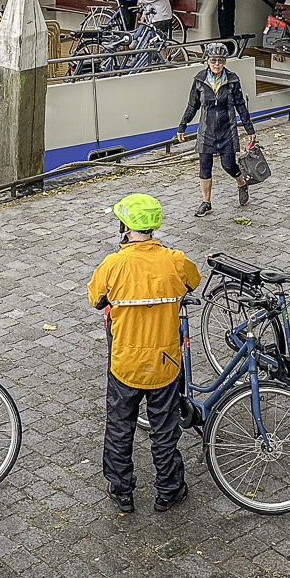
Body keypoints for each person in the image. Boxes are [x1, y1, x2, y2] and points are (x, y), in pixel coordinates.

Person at [87, 194, 201, 514]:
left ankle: (122, 491)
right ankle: (169, 489)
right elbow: (193, 281)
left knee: (119, 427)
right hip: (165, 362)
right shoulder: (175, 260)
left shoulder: (113, 265)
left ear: (125, 228)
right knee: (165, 430)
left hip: (125, 362)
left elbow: (95, 298)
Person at [176, 43, 255, 216]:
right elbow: (193, 105)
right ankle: (206, 202)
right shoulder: (200, 80)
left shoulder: (232, 80)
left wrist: (249, 129)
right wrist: (183, 125)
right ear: (207, 61)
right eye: (213, 60)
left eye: (220, 60)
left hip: (227, 130)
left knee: (228, 165)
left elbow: (240, 105)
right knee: (205, 167)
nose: (217, 64)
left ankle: (242, 183)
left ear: (225, 61)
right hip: (207, 131)